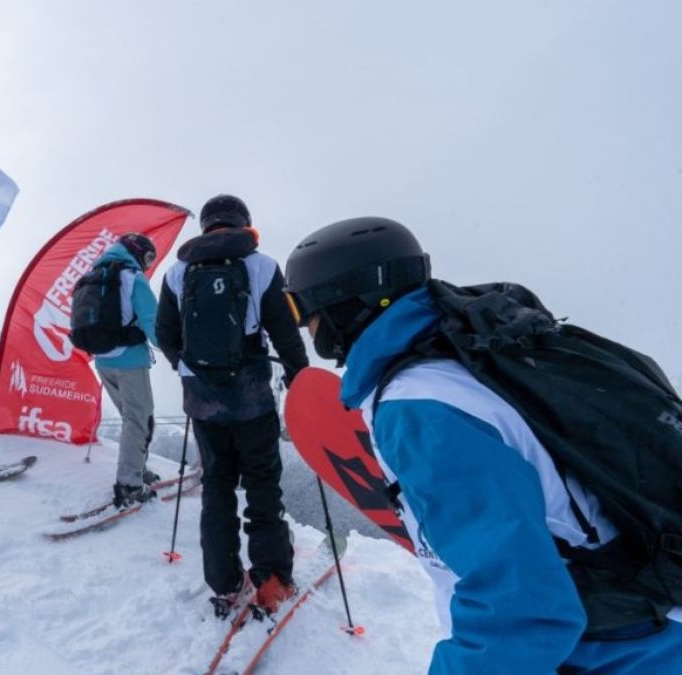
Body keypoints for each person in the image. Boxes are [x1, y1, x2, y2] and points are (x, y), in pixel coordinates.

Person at [283, 216, 682, 674]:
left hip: (621, 650)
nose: (305, 327)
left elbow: (520, 610)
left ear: (340, 305)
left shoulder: (420, 408)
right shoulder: (469, 362)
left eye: (302, 310)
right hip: (640, 624)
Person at [156, 194, 309, 618]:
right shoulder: (261, 266)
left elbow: (164, 333)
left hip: (203, 403)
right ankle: (273, 579)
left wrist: (189, 367)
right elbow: (284, 331)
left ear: (205, 225)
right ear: (244, 222)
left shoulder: (177, 271)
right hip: (252, 399)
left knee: (217, 487)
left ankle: (224, 581)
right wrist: (299, 375)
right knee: (263, 486)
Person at [90, 233, 162, 509]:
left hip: (103, 360)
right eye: (147, 257)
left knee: (133, 419)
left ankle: (137, 469)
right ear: (136, 251)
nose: (147, 264)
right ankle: (129, 485)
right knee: (139, 421)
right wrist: (177, 353)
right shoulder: (131, 276)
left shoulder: (97, 272)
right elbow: (151, 321)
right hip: (129, 360)